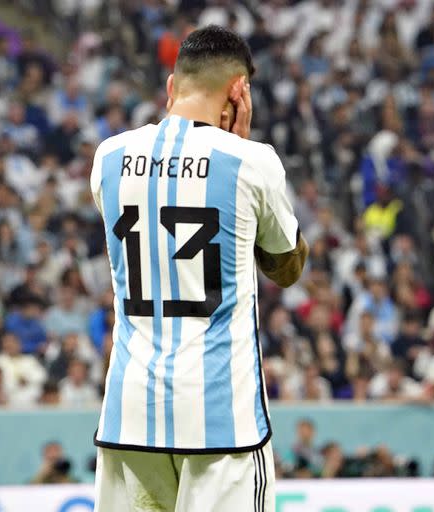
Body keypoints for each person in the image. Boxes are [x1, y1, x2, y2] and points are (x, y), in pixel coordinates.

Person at [91, 26, 307, 512]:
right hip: (220, 419)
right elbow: (287, 266)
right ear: (239, 92)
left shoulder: (108, 157)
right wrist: (245, 149)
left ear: (172, 88)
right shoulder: (252, 162)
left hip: (131, 413)